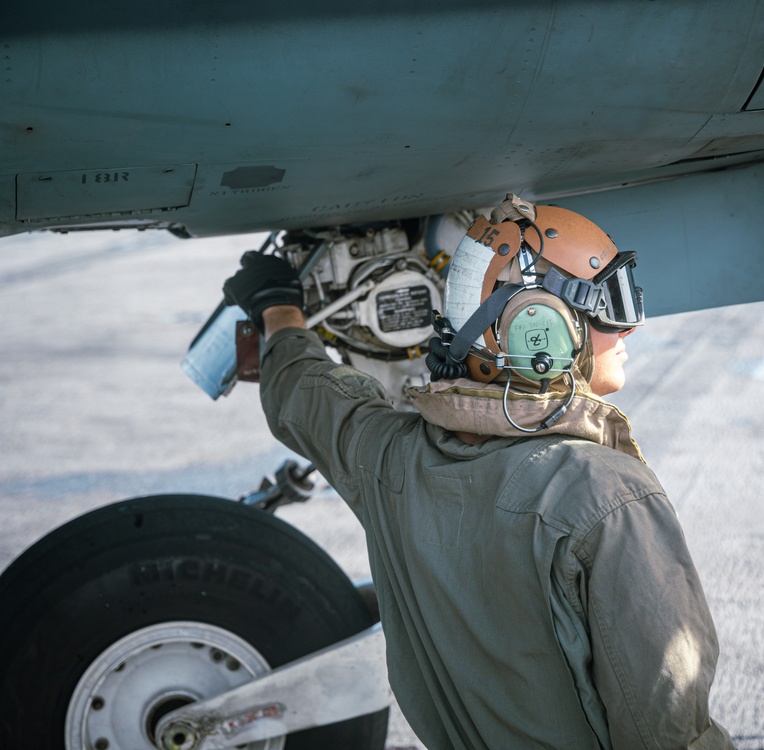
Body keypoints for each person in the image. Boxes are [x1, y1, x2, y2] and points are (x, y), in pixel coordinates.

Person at [223, 194, 733, 749]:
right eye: (609, 305)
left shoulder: (390, 460)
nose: (627, 330)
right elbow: (669, 730)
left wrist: (278, 307)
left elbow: (305, 393)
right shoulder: (606, 496)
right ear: (536, 326)